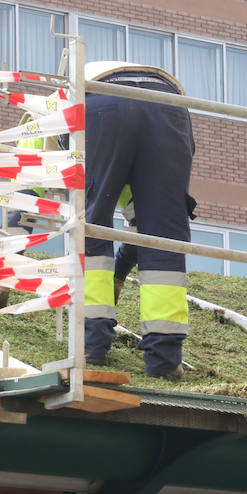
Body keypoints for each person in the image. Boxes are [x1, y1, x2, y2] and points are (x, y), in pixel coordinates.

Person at [81, 60, 195, 379]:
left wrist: (6, 269)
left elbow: (23, 206)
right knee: (163, 240)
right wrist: (118, 274)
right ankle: (163, 360)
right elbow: (142, 233)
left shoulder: (41, 131)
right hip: (169, 105)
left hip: (101, 99)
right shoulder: (132, 181)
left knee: (90, 226)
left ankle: (93, 344)